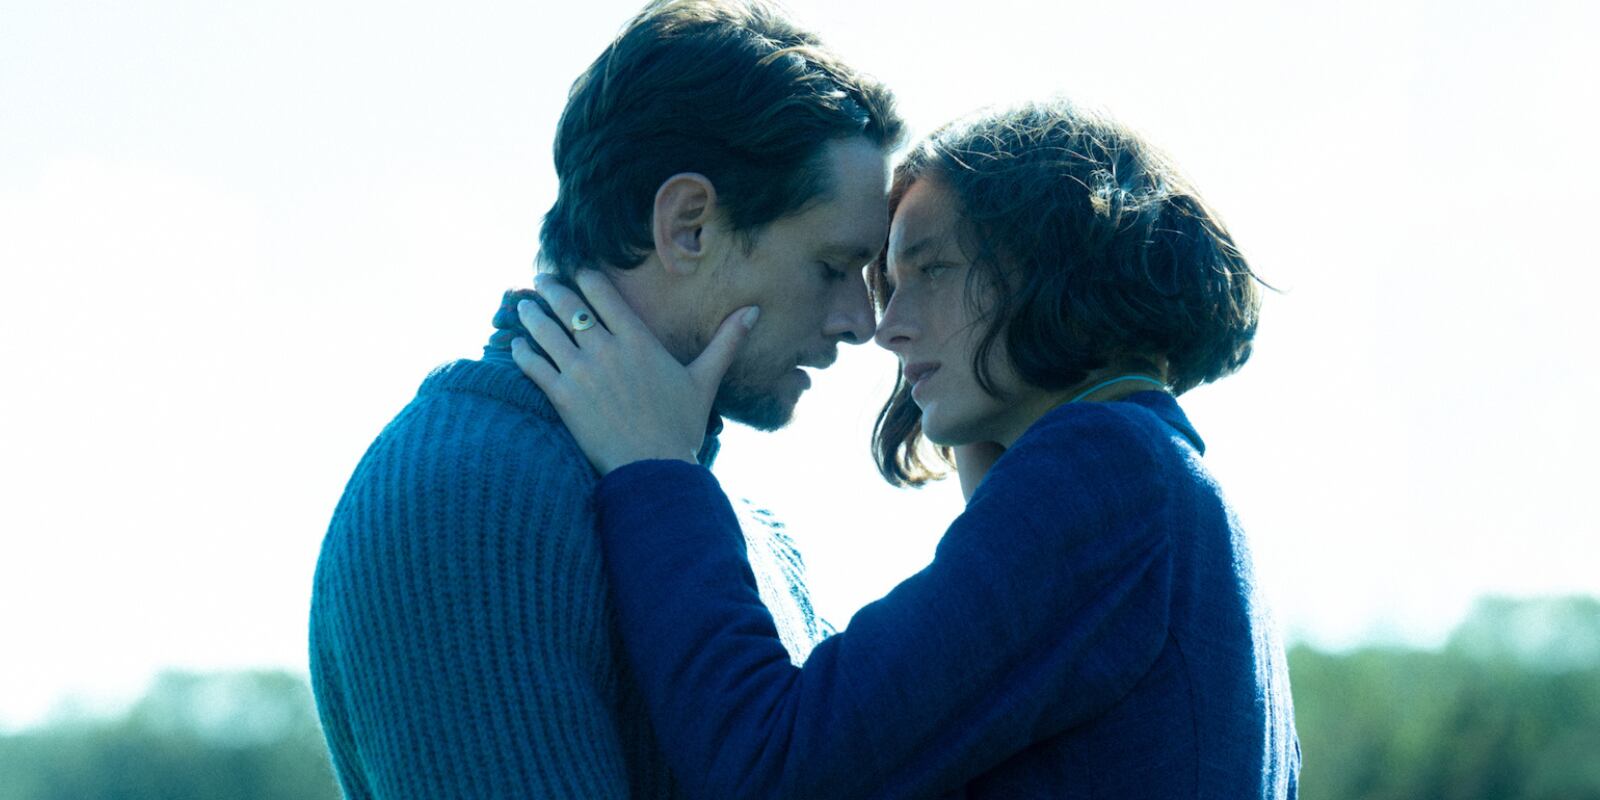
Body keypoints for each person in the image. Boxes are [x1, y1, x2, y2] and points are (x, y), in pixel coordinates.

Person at [509, 99, 1301, 798]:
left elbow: (772, 765)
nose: (887, 327)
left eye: (933, 270)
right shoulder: (1162, 483)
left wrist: (655, 470)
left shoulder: (1105, 474)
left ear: (1054, 262)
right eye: (890, 282)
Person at [307, 1, 904, 797]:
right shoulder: (467, 492)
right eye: (832, 268)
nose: (862, 322)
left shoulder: (746, 530)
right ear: (689, 226)